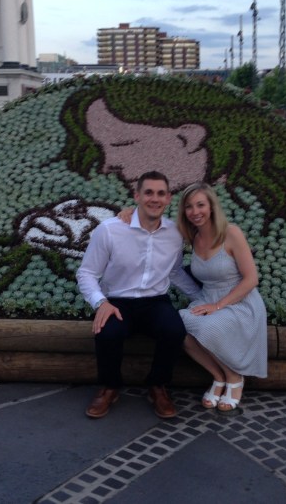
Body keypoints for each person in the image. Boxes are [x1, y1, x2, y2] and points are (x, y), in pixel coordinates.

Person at [76, 170, 202, 420]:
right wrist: (101, 303)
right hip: (118, 301)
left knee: (174, 331)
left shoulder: (175, 233)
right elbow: (87, 273)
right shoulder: (109, 230)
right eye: (149, 193)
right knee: (107, 333)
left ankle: (157, 386)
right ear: (137, 196)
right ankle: (110, 387)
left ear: (168, 199)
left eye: (161, 193)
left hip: (155, 302)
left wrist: (201, 297)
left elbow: (174, 271)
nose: (155, 199)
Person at [175, 183, 268, 412]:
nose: (195, 211)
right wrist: (129, 213)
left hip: (239, 302)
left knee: (206, 328)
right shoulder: (193, 237)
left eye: (200, 205)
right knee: (175, 327)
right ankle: (218, 376)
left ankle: (235, 377)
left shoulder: (231, 233)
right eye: (189, 206)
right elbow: (154, 225)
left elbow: (251, 279)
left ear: (212, 207)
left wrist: (218, 306)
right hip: (208, 299)